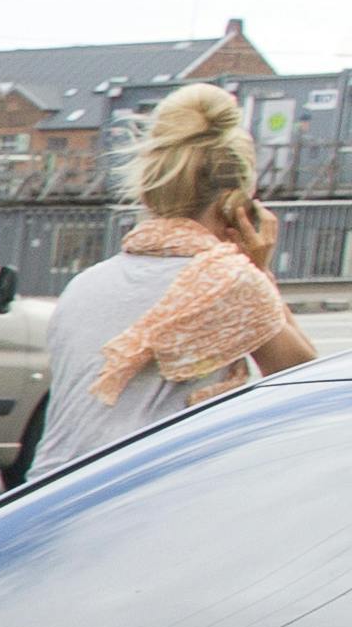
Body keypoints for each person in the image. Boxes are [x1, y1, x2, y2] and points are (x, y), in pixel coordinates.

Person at [29, 83, 315, 478]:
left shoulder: (86, 283)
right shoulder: (227, 281)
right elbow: (307, 382)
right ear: (239, 203)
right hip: (134, 502)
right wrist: (258, 269)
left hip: (45, 495)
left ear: (151, 192)